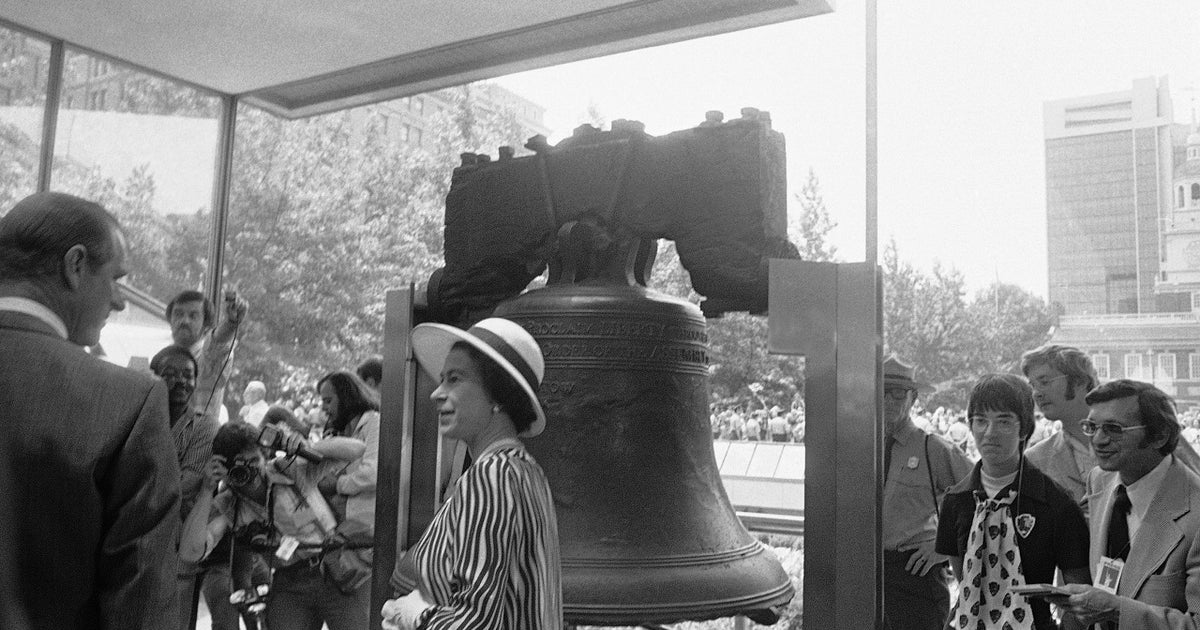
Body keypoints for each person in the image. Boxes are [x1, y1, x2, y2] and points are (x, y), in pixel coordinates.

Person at [0, 191, 181, 629]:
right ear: (76, 265)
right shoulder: (128, 404)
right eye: (115, 278)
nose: (119, 301)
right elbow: (141, 608)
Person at [383, 317, 562, 629]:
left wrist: (412, 614)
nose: (436, 393)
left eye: (454, 379)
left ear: (498, 394)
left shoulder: (490, 476)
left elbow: (473, 622)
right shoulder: (526, 471)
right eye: (442, 379)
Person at [180, 421, 371, 630]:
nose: (250, 471)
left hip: (332, 570)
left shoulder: (289, 470)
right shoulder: (230, 504)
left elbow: (357, 449)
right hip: (289, 581)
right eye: (240, 466)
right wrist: (207, 489)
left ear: (264, 455)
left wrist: (305, 447)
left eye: (254, 461)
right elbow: (190, 552)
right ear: (226, 470)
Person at [936, 374, 1091, 630]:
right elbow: (964, 580)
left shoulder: (1056, 503)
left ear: (1024, 429)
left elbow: (1078, 595)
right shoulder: (956, 501)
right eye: (980, 421)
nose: (990, 433)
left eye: (1004, 421)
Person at [1051, 380, 1200, 628]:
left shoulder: (1195, 512)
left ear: (1160, 436)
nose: (1098, 440)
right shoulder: (1099, 480)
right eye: (1091, 427)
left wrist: (1116, 610)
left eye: (1114, 429)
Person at [1022, 344, 1200, 513]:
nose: (1036, 393)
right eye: (1033, 385)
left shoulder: (1153, 434)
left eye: (1044, 382)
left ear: (1080, 381)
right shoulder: (1036, 460)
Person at [881, 355, 974, 630]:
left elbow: (983, 497)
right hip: (867, 574)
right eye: (882, 392)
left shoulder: (932, 448)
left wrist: (944, 547)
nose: (888, 400)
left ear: (914, 398)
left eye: (898, 393)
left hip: (915, 576)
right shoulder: (861, 448)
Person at [150, 344, 220, 630]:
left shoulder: (204, 427)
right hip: (131, 545)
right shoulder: (137, 417)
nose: (181, 381)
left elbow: (186, 485)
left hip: (177, 546)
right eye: (170, 374)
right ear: (153, 377)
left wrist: (138, 486)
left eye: (188, 375)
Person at [167, 288, 247, 424]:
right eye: (178, 314)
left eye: (193, 316)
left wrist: (230, 323)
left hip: (197, 436)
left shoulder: (206, 356)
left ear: (206, 324)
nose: (184, 321)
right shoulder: (164, 358)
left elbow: (217, 345)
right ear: (170, 320)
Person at [315, 371, 381, 537]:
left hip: (366, 530)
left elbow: (373, 474)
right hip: (339, 526)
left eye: (328, 401)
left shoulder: (374, 423)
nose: (323, 408)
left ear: (346, 398)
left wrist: (337, 484)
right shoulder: (337, 432)